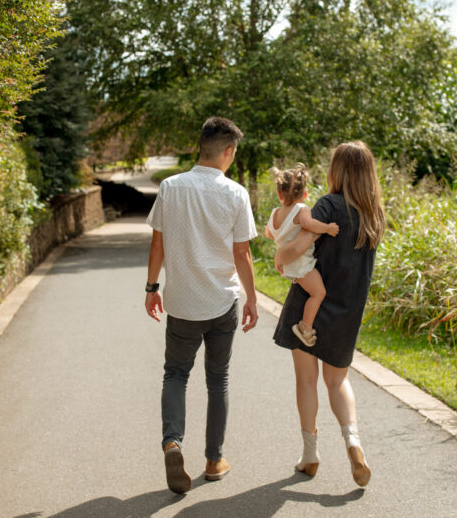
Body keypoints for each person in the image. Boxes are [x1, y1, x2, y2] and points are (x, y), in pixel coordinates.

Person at [145, 116, 259, 494]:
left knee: (175, 374)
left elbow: (158, 244)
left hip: (180, 302)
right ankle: (214, 460)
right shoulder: (236, 193)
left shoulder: (171, 187)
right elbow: (242, 253)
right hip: (222, 301)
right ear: (227, 152)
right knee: (217, 379)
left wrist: (151, 288)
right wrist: (253, 299)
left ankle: (172, 442)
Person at [272, 141, 385, 487]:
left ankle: (310, 456)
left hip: (309, 299)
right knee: (338, 381)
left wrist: (279, 258)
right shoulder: (374, 213)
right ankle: (353, 444)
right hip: (347, 310)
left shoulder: (328, 205)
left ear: (338, 170)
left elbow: (298, 246)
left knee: (306, 380)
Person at [265, 164, 339, 347]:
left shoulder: (275, 213)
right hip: (301, 263)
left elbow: (269, 233)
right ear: (305, 194)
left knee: (312, 292)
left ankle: (304, 324)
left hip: (289, 264)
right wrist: (328, 228)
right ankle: (305, 326)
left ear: (280, 195)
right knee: (318, 293)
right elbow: (309, 224)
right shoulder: (302, 209)